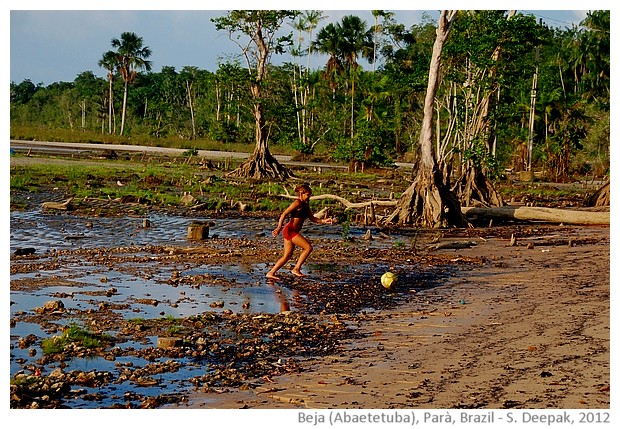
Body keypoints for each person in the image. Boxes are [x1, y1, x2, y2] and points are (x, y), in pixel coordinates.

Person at [266, 184, 334, 280]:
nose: (309, 197)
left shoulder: (306, 205)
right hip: (289, 230)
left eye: (310, 195)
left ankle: (271, 272)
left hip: (291, 231)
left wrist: (324, 221)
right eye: (307, 195)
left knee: (287, 255)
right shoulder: (297, 203)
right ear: (301, 193)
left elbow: (313, 218)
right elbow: (284, 214)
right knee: (308, 247)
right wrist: (278, 227)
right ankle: (296, 269)